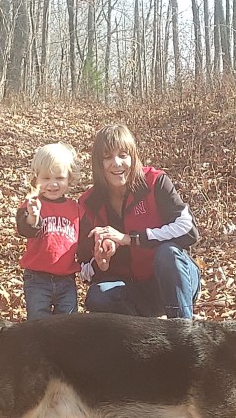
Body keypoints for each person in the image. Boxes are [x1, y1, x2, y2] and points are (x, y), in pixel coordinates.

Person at [77, 124, 200, 319]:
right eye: (107, 157)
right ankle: (144, 333)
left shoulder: (155, 182)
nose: (117, 163)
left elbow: (188, 230)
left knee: (168, 254)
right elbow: (84, 267)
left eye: (123, 155)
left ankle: (183, 329)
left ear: (133, 157)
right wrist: (100, 263)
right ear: (98, 163)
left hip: (174, 280)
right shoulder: (88, 203)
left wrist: (130, 239)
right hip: (131, 292)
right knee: (98, 295)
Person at [16, 142, 81, 319]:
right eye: (46, 178)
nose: (53, 184)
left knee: (68, 323)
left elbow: (83, 241)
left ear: (69, 178)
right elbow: (25, 229)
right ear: (36, 179)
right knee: (38, 322)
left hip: (66, 279)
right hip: (37, 278)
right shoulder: (32, 205)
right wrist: (33, 216)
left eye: (59, 178)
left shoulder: (75, 209)